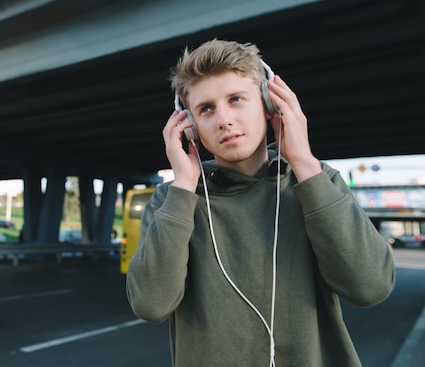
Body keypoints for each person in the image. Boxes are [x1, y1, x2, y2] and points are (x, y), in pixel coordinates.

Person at [125, 38, 395, 366]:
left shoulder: (315, 181)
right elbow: (151, 305)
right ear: (190, 127)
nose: (223, 119)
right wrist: (183, 184)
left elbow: (370, 288)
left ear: (270, 104)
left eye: (236, 99)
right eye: (206, 109)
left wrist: (304, 161)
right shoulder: (174, 199)